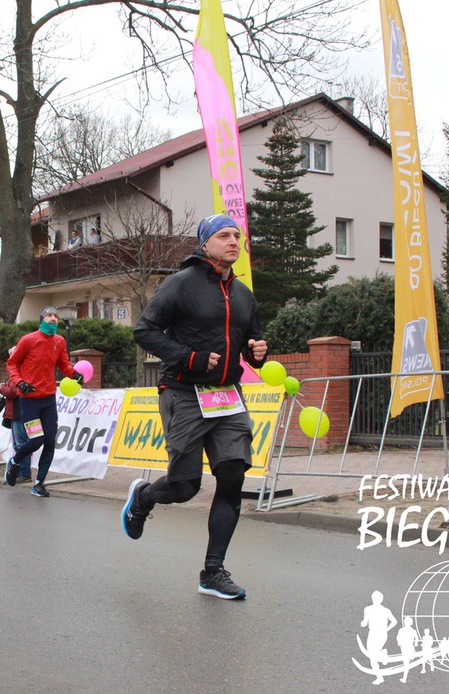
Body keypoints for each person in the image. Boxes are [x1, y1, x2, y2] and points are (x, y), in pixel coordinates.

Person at [122, 213, 268, 600]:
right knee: (185, 487)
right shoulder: (181, 284)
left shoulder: (243, 294)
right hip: (184, 392)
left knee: (233, 475)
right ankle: (143, 498)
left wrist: (257, 352)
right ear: (205, 243)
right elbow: (144, 331)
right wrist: (189, 357)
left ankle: (213, 572)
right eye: (224, 235)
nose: (233, 241)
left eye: (237, 235)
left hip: (227, 396)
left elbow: (251, 343)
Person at [4, 307, 81, 497]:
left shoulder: (59, 341)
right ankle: (14, 462)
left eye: (55, 316)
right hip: (29, 400)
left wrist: (74, 374)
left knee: (49, 441)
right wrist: (20, 383)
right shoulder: (28, 340)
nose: (53, 318)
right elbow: (12, 363)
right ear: (41, 320)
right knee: (36, 441)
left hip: (48, 399)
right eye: (49, 315)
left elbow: (63, 364)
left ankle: (39, 484)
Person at [0, 361, 31, 484]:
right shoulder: (19, 369)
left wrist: (1, 388)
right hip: (17, 411)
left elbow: (14, 391)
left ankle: (24, 473)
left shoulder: (19, 370)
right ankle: (19, 472)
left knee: (20, 444)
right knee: (18, 444)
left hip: (18, 412)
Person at [360, 590, 397, 685]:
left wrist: (386, 629)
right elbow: (394, 621)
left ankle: (380, 677)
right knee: (372, 656)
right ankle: (382, 654)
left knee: (372, 657)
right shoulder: (382, 610)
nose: (375, 599)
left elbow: (394, 621)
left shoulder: (371, 609)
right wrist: (386, 629)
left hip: (376, 633)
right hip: (378, 633)